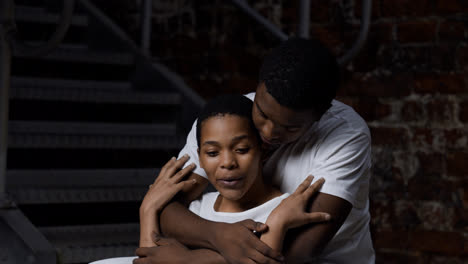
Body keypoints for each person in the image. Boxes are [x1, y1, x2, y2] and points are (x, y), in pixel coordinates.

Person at [135, 37, 375, 264]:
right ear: (258, 87)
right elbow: (167, 206)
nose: (269, 133)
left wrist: (192, 261)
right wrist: (218, 235)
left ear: (318, 117)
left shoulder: (345, 135)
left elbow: (305, 248)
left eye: (289, 127)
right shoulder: (231, 117)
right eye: (262, 113)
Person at [138, 95, 330, 255]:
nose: (228, 163)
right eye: (213, 153)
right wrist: (147, 209)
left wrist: (278, 223)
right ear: (200, 159)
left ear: (263, 150)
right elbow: (150, 259)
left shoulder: (288, 211)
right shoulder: (195, 211)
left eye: (241, 149)